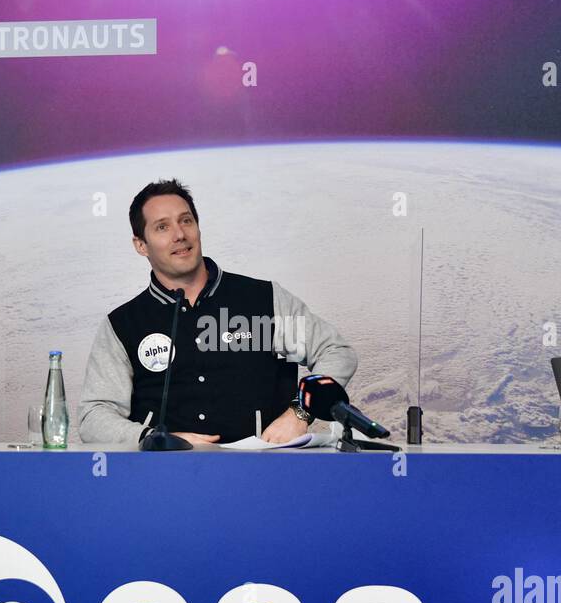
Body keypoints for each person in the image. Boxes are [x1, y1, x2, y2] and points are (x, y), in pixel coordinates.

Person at [79, 179, 358, 445]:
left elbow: (335, 352)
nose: (179, 235)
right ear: (141, 245)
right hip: (164, 477)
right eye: (162, 227)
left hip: (263, 472)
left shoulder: (262, 301)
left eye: (186, 220)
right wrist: (151, 438)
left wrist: (300, 412)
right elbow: (94, 417)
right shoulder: (123, 324)